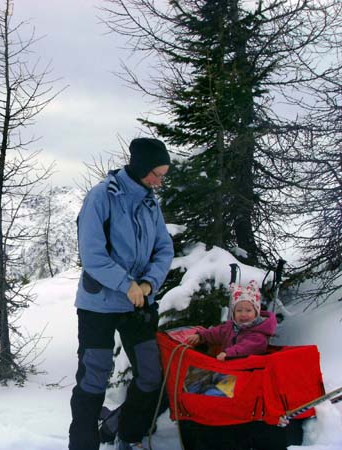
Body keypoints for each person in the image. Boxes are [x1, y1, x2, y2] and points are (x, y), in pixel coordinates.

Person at [68, 138, 174, 450]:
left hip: (138, 303)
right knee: (93, 378)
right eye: (156, 174)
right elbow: (92, 255)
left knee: (151, 375)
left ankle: (127, 436)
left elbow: (164, 249)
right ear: (141, 167)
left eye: (163, 175)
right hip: (98, 304)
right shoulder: (102, 196)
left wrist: (148, 284)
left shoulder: (150, 203)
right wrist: (126, 284)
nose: (159, 181)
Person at [186, 280, 277, 360]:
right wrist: (201, 336)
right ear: (233, 313)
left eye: (248, 310)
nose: (243, 314)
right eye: (239, 310)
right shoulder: (231, 327)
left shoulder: (259, 334)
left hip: (246, 371)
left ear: (256, 312)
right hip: (228, 366)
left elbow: (245, 348)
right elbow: (216, 333)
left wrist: (228, 354)